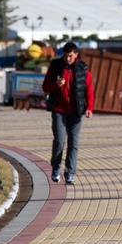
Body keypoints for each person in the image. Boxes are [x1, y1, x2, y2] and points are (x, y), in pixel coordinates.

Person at [42, 41, 95, 185]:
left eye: (70, 56)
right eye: (65, 56)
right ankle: (56, 168)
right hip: (58, 111)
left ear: (76, 55)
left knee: (74, 144)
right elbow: (45, 87)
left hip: (76, 112)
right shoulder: (55, 66)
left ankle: (70, 173)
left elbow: (88, 89)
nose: (68, 59)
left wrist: (89, 107)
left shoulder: (82, 68)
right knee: (59, 141)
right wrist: (56, 85)